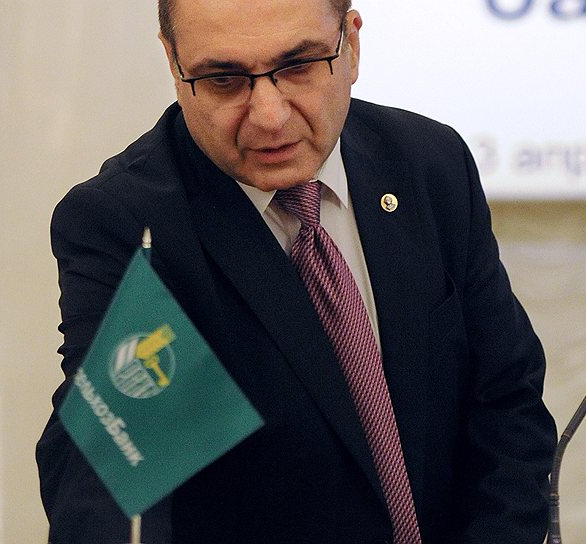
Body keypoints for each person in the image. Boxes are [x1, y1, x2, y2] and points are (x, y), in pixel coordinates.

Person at [36, 0, 557, 542]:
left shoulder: (428, 163)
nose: (269, 116)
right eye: (223, 79)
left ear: (351, 44)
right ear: (173, 62)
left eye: (298, 66)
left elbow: (506, 402)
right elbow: (107, 480)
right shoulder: (132, 224)